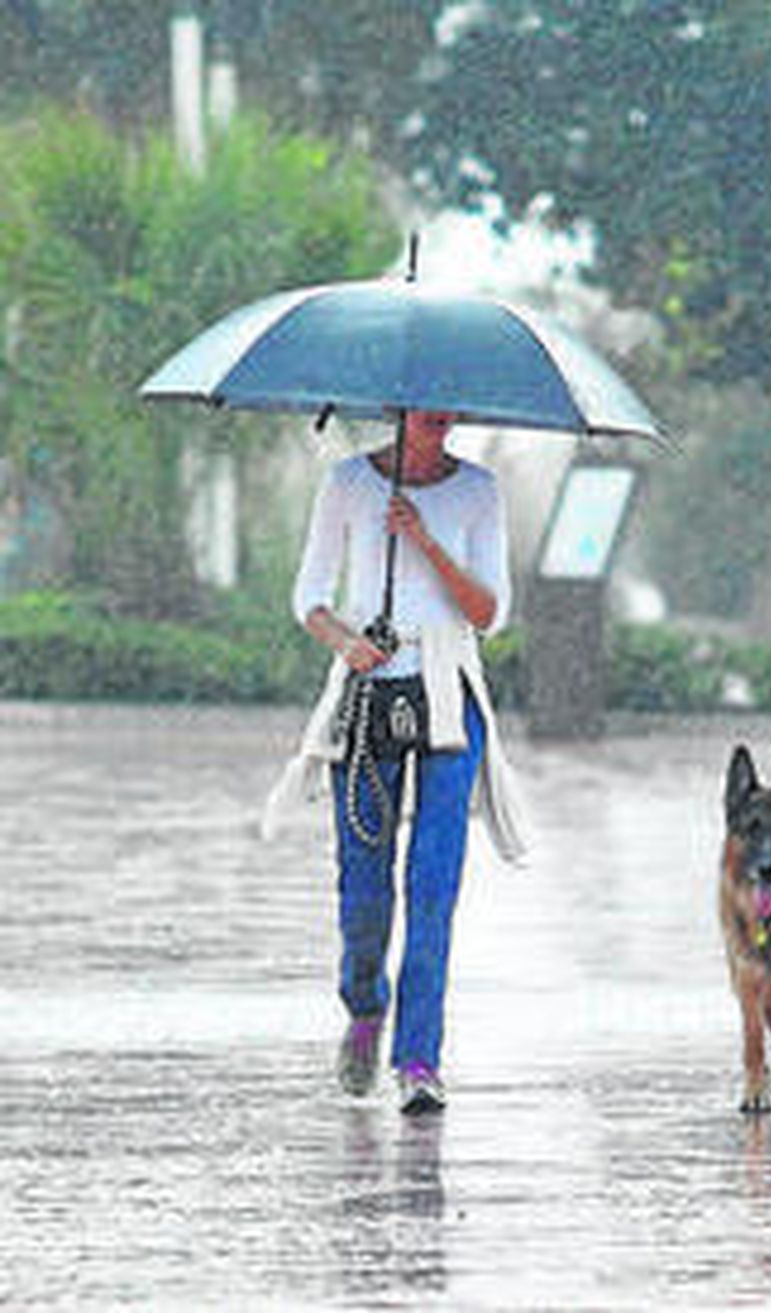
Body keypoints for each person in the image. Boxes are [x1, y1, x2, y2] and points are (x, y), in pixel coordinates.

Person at [264, 409, 531, 1115]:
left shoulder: (479, 490)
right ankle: (364, 1004)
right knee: (363, 882)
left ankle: (420, 1058)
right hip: (368, 690)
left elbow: (487, 612)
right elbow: (310, 599)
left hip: (449, 690)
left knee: (434, 882)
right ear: (399, 408)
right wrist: (348, 642)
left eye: (450, 408)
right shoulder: (348, 482)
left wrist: (425, 539)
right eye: (425, 407)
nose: (440, 418)